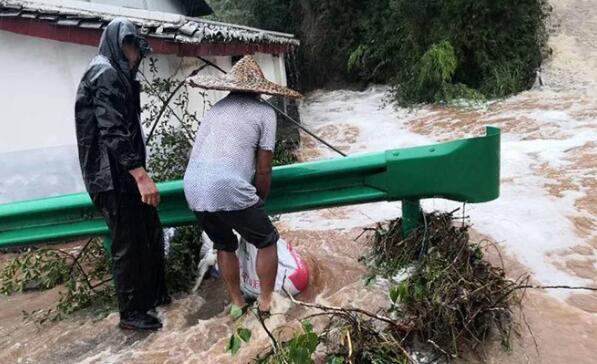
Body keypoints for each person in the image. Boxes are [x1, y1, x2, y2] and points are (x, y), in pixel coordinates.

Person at [184, 55, 302, 315]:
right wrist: (259, 200)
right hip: (227, 186)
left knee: (224, 244)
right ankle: (266, 303)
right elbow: (264, 168)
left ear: (232, 86)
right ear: (260, 89)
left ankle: (237, 304)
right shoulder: (264, 113)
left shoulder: (215, 110)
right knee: (266, 240)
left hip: (192, 187)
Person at [74, 18, 169, 331]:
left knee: (149, 234)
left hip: (122, 174)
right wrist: (141, 175)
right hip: (111, 178)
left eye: (135, 47)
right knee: (127, 244)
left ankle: (153, 297)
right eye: (129, 46)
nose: (134, 54)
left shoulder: (116, 72)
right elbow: (113, 129)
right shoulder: (105, 73)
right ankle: (131, 313)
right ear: (117, 44)